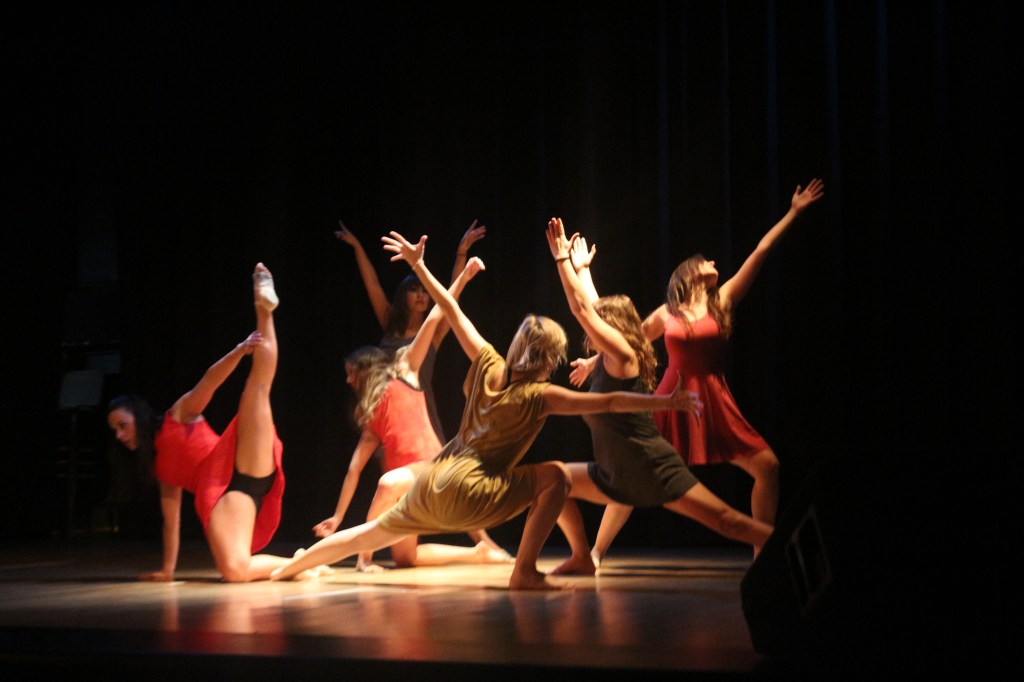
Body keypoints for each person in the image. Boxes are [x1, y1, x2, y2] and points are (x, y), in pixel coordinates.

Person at [270, 231, 703, 590]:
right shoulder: (542, 395)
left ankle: (287, 569)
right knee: (555, 476)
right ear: (551, 360)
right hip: (475, 494)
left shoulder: (488, 362)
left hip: (435, 481)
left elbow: (450, 310)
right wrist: (664, 401)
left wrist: (420, 266)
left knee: (366, 535)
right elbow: (609, 401)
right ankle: (526, 571)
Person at [543, 218, 774, 574]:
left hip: (653, 457)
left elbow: (586, 310)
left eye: (606, 326)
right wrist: (584, 270)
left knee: (728, 521)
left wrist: (562, 261)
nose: (597, 329)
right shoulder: (619, 349)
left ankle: (788, 547)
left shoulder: (622, 354)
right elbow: (595, 308)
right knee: (552, 478)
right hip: (623, 467)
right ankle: (587, 555)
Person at [106, 263, 311, 582]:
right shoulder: (159, 469)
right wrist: (168, 570)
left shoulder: (178, 416)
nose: (119, 435)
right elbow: (171, 522)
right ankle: (304, 563)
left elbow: (209, 382)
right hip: (223, 497)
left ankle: (263, 304)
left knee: (258, 387)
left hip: (238, 457)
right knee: (235, 571)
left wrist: (239, 351)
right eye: (115, 430)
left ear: (139, 416)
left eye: (122, 425)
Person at [313, 257, 511, 571]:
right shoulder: (373, 418)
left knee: (386, 484)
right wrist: (337, 517)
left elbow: (434, 318)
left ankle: (364, 559)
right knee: (406, 558)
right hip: (407, 484)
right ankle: (479, 553)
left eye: (352, 373)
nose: (349, 381)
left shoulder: (406, 371)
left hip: (431, 467)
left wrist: (464, 277)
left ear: (367, 368)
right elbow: (353, 469)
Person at [335, 219, 486, 442]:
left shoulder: (433, 332)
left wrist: (461, 254)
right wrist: (357, 245)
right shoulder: (389, 324)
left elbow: (450, 300)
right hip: (390, 412)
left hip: (421, 415)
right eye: (414, 290)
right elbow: (372, 284)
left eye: (425, 291)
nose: (421, 295)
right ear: (403, 295)